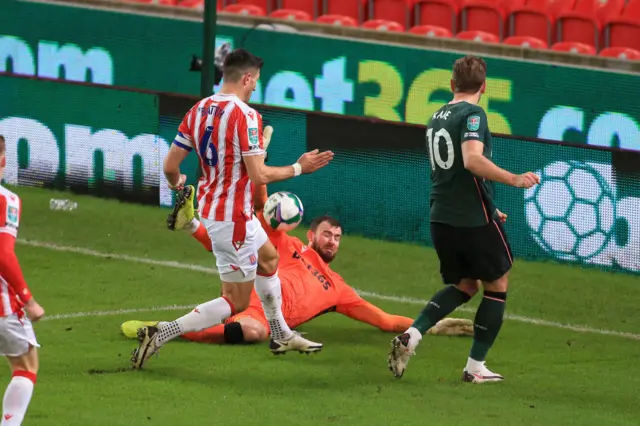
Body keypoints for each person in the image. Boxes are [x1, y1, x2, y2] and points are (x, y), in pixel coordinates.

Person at [131, 48, 334, 369]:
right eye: (255, 83)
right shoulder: (247, 116)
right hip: (233, 219)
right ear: (247, 78)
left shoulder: (197, 110)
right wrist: (299, 168)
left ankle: (280, 333)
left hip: (216, 209)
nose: (255, 89)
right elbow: (259, 175)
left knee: (269, 259)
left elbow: (171, 166)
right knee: (236, 301)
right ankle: (161, 333)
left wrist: (177, 184)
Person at [122, 183, 474, 345]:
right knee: (242, 248)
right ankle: (168, 328)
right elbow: (255, 222)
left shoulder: (339, 290)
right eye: (326, 235)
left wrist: (429, 325)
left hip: (262, 319)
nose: (331, 241)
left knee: (252, 332)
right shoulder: (288, 245)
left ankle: (166, 327)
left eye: (337, 238)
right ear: (310, 235)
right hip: (253, 299)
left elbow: (383, 320)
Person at [387, 56, 540, 383]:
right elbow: (471, 161)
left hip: (441, 215)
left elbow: (453, 171)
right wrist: (513, 179)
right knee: (497, 284)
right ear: (484, 86)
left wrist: (489, 204)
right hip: (469, 218)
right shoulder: (473, 114)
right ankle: (474, 368)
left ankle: (411, 336)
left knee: (465, 284)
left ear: (451, 84)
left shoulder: (436, 115)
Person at [0, 135, 46, 425]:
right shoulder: (6, 199)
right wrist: (27, 299)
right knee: (26, 364)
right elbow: (3, 255)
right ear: (3, 160)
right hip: (2, 306)